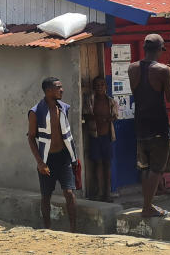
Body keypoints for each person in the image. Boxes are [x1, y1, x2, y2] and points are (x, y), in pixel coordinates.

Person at [128, 33, 170, 218]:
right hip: (158, 125)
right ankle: (147, 206)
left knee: (146, 168)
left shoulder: (132, 68)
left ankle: (147, 205)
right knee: (157, 169)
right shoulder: (162, 70)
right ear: (159, 50)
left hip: (140, 123)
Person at [27, 77, 79, 231]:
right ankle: (47, 229)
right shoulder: (36, 112)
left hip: (63, 157)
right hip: (46, 159)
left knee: (69, 193)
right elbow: (31, 137)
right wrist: (40, 163)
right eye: (58, 87)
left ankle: (73, 229)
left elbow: (65, 134)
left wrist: (73, 156)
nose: (62, 90)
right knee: (46, 195)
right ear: (48, 90)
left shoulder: (63, 108)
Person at [83, 75, 117, 202]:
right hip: (95, 136)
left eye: (102, 85)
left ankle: (107, 194)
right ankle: (98, 193)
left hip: (107, 136)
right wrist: (98, 118)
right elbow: (86, 115)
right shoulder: (90, 100)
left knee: (107, 164)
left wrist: (109, 119)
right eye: (97, 85)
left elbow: (115, 115)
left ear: (106, 87)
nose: (100, 87)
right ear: (93, 87)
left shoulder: (111, 101)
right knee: (97, 164)